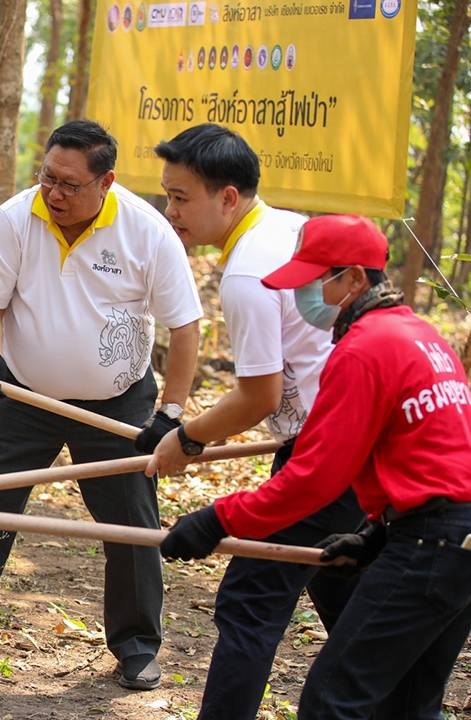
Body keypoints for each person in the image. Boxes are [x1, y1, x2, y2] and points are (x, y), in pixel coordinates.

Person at [0, 119, 203, 692]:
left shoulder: (147, 231)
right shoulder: (16, 217)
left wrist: (173, 411)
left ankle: (137, 646)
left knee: (132, 525)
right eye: (47, 178)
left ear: (105, 182)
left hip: (117, 403)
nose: (54, 194)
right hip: (23, 393)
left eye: (70, 184)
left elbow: (185, 327)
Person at [159, 214, 471, 720]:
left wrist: (216, 520)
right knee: (408, 705)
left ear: (353, 278)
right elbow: (433, 457)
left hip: (432, 545)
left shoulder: (364, 350)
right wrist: (374, 533)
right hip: (451, 537)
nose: (304, 296)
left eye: (311, 282)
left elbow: (313, 478)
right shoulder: (424, 337)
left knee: (332, 701)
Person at [143, 124, 363, 720]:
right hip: (351, 441)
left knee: (251, 598)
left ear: (229, 197)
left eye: (182, 198)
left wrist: (185, 438)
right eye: (167, 195)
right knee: (345, 592)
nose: (171, 212)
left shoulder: (246, 272)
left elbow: (259, 395)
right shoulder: (290, 226)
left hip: (327, 448)